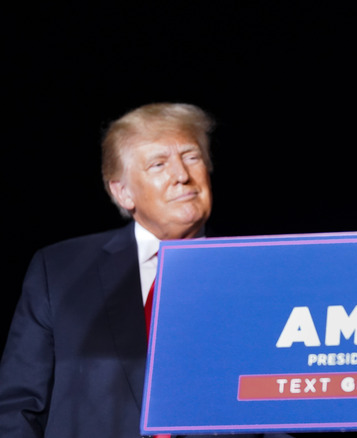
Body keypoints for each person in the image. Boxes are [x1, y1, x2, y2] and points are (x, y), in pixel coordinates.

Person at [0, 103, 276, 438]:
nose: (182, 175)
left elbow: (285, 407)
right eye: (159, 164)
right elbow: (17, 407)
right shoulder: (59, 271)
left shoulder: (259, 271)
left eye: (191, 157)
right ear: (123, 192)